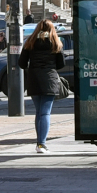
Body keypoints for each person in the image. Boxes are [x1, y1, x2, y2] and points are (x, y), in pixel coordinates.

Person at [17, 19, 66, 154]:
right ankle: (41, 144)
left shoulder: (30, 42)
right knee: (45, 112)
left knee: (39, 112)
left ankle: (39, 142)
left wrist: (33, 66)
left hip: (34, 79)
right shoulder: (55, 42)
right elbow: (61, 64)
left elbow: (21, 63)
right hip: (49, 79)